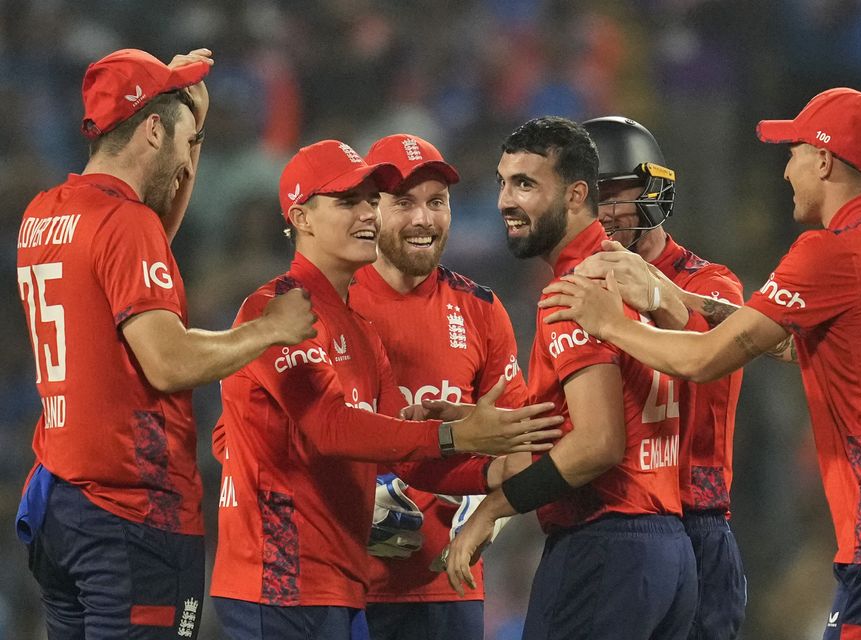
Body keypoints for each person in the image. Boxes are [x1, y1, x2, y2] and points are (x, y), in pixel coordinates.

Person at [540, 88, 861, 640]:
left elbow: (706, 358)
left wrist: (612, 322)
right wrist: (676, 296)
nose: (786, 171)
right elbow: (786, 342)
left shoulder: (830, 252)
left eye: (794, 152)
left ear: (825, 160)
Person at [14, 48, 317, 639]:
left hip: (61, 500)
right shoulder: (124, 225)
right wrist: (270, 329)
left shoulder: (46, 212)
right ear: (153, 129)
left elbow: (144, 246)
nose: (186, 153)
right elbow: (168, 361)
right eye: (181, 135)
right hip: (130, 510)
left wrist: (193, 135)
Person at [209, 140, 563, 640]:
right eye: (351, 201)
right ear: (301, 218)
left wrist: (495, 472)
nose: (367, 213)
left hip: (352, 584)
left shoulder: (361, 328)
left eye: (370, 199)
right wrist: (456, 437)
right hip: (283, 579)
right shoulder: (278, 309)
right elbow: (325, 428)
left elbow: (406, 448)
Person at [443, 116, 698, 640]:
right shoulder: (638, 275)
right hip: (670, 552)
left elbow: (599, 444)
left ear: (578, 194)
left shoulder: (576, 292)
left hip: (606, 546)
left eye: (526, 184)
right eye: (503, 182)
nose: (504, 202)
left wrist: (492, 508)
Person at [350, 133, 528, 640]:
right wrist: (354, 502)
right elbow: (243, 443)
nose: (423, 219)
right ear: (370, 208)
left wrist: (490, 512)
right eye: (403, 202)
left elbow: (524, 444)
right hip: (340, 587)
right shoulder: (325, 303)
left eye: (436, 202)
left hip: (450, 587)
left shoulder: (482, 311)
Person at [577, 116, 747, 640]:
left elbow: (723, 345)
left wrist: (656, 296)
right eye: (591, 198)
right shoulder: (580, 284)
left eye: (616, 194)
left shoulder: (708, 281)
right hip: (610, 522)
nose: (604, 213)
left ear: (652, 192)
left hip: (697, 519)